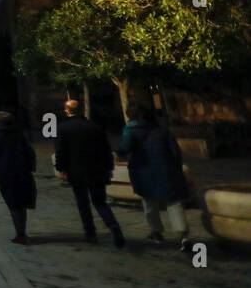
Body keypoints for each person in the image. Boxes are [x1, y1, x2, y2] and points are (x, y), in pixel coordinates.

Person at [118, 102, 192, 251]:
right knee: (173, 202)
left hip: (143, 170)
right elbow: (176, 151)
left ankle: (156, 232)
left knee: (149, 202)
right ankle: (183, 235)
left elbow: (124, 148)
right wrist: (176, 168)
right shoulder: (162, 130)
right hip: (167, 169)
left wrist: (121, 153)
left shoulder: (130, 130)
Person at [54, 99, 125, 248]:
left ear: (67, 111)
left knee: (83, 202)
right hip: (97, 170)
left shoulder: (64, 127)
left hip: (76, 171)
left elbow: (61, 151)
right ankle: (113, 226)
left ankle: (90, 232)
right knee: (100, 202)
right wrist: (108, 167)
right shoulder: (94, 126)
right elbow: (106, 148)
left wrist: (61, 168)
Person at [0, 110, 36, 244]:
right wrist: (30, 167)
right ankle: (21, 231)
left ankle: (20, 233)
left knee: (13, 204)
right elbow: (29, 152)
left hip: (5, 173)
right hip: (22, 172)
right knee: (21, 203)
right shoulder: (19, 134)